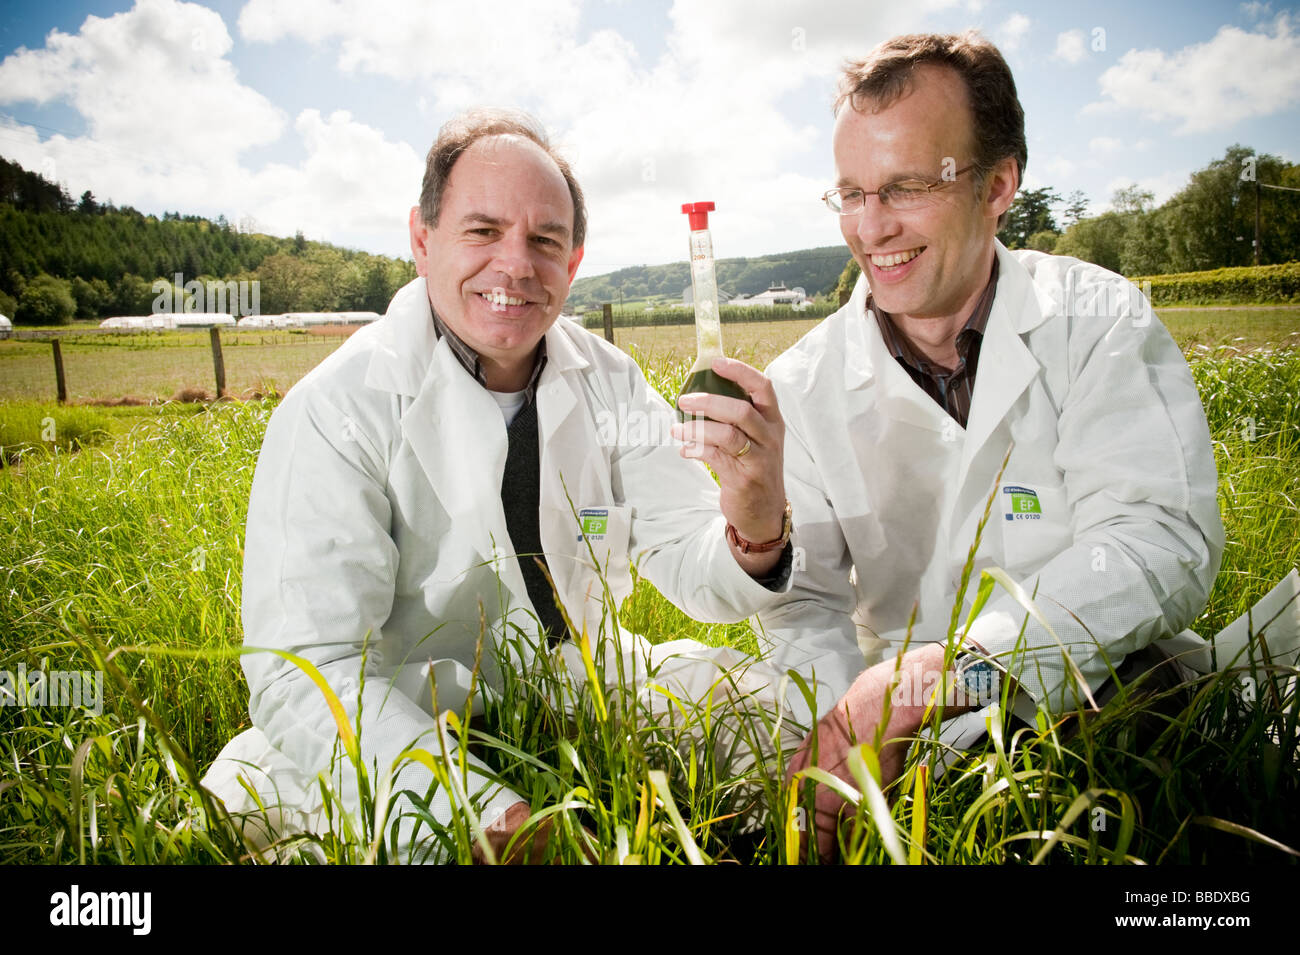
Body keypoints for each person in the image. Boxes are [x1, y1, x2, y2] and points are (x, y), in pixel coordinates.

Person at [201, 108, 797, 862]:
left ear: (572, 262)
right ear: (422, 240)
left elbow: (691, 561)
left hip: (580, 682)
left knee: (791, 725)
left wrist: (757, 522)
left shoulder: (608, 381)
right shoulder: (338, 406)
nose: (516, 264)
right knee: (264, 812)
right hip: (402, 710)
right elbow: (307, 673)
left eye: (545, 240)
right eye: (483, 231)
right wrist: (492, 813)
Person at [757, 32, 1224, 860]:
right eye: (852, 193)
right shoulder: (801, 383)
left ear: (998, 184)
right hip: (895, 746)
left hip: (1091, 696)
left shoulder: (1097, 320)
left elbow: (1161, 539)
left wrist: (946, 674)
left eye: (904, 186)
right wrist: (844, 739)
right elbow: (805, 603)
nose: (872, 227)